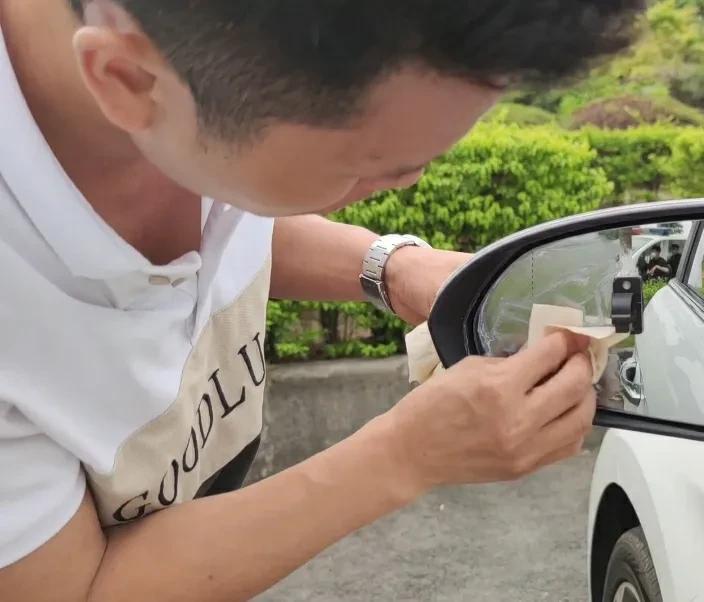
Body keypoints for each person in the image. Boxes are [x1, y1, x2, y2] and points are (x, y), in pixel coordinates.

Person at [0, 1, 644, 599]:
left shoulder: (196, 80)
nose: (411, 179)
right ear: (128, 81)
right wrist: (406, 455)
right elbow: (80, 588)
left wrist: (391, 270)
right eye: (367, 163)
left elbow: (230, 208)